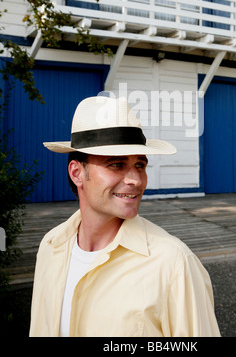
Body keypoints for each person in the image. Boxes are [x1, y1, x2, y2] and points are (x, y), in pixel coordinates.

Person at [29, 96, 220, 337]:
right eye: (116, 164)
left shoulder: (173, 264)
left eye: (140, 165)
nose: (136, 180)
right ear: (77, 173)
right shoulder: (51, 246)